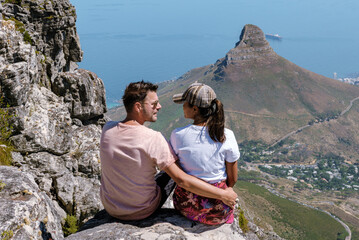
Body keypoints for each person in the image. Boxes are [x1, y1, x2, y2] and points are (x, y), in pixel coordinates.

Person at [99, 80, 237, 221]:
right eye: (154, 104)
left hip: (111, 207)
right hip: (142, 209)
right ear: (138, 107)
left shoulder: (107, 129)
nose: (159, 106)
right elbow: (183, 181)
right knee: (172, 171)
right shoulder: (153, 138)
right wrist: (223, 195)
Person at [170, 82, 240, 225]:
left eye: (185, 103)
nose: (182, 106)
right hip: (219, 210)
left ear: (195, 109)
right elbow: (232, 179)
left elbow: (178, 174)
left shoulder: (177, 135)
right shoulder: (226, 135)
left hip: (185, 205)